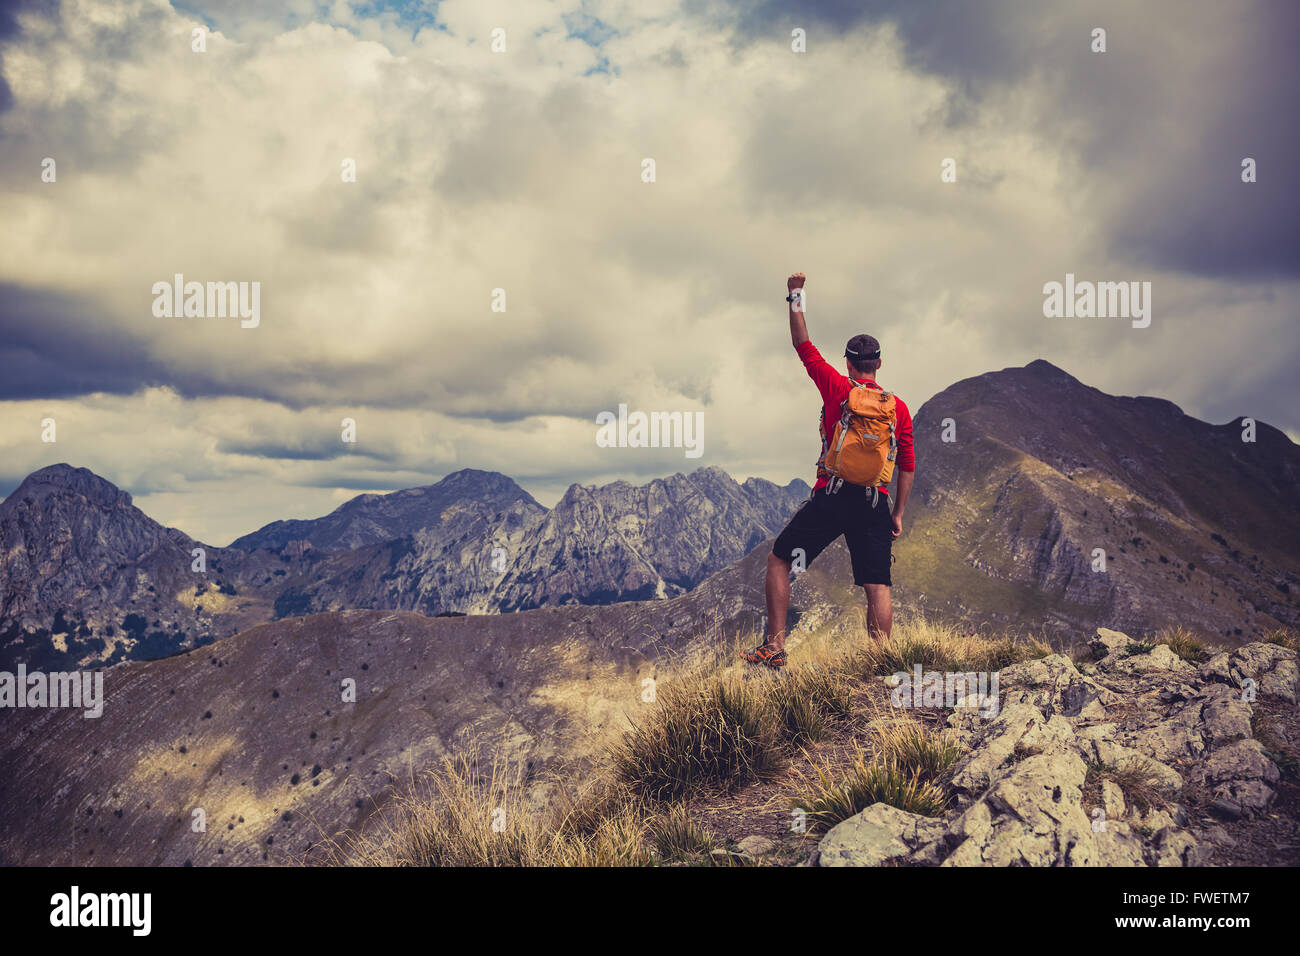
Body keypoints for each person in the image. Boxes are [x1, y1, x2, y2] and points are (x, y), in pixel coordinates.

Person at [742, 272, 916, 669]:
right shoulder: (898, 409)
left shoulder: (838, 389)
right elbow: (906, 465)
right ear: (879, 364)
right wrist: (898, 513)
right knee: (878, 586)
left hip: (834, 496)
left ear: (850, 364)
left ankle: (775, 646)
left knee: (780, 559)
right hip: (874, 502)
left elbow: (802, 345)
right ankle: (881, 665)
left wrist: (796, 294)